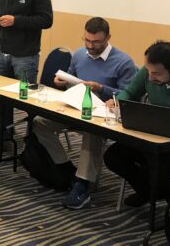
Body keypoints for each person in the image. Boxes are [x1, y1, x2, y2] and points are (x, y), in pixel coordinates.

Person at [32, 17, 137, 209]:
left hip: (102, 115)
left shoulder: (123, 62)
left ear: (108, 38)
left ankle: (83, 183)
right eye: (87, 40)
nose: (90, 45)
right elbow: (72, 76)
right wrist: (63, 82)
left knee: (92, 131)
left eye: (96, 42)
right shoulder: (80, 54)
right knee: (40, 122)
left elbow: (128, 95)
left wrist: (101, 88)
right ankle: (66, 169)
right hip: (76, 107)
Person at [104, 41, 170, 208]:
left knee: (154, 166)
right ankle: (148, 192)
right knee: (113, 156)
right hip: (150, 135)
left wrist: (165, 117)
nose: (150, 78)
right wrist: (118, 103)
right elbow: (130, 92)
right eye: (149, 72)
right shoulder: (148, 71)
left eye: (157, 74)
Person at [0, 0, 53, 151]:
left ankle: (32, 145)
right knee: (2, 97)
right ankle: (4, 138)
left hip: (25, 55)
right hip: (4, 50)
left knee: (28, 102)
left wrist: (16, 21)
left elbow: (46, 20)